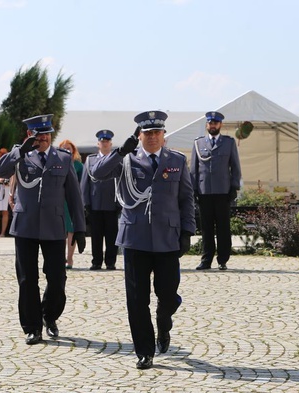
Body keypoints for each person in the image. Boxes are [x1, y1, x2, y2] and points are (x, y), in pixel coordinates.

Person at [91, 110, 196, 370]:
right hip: (136, 237)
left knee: (168, 295)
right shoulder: (126, 159)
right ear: (139, 135)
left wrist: (187, 232)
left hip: (167, 238)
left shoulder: (177, 161)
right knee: (137, 299)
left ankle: (164, 321)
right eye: (147, 133)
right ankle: (145, 351)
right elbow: (97, 174)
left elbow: (186, 199)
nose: (152, 137)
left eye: (156, 133)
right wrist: (118, 152)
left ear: (163, 135)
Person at [0, 114, 86, 346]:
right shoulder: (21, 156)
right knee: (27, 279)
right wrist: (18, 152)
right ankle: (32, 327)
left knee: (57, 279)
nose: (43, 138)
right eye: (38, 134)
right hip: (25, 226)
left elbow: (74, 196)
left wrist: (81, 228)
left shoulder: (62, 158)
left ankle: (48, 315)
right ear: (29, 135)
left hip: (54, 227)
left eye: (46, 134)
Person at [191, 111, 241, 271]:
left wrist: (234, 187)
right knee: (206, 228)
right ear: (207, 125)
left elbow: (235, 167)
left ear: (220, 125)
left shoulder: (229, 143)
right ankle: (206, 259)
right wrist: (193, 190)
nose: (212, 125)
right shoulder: (198, 144)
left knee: (223, 227)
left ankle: (223, 259)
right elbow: (194, 170)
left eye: (215, 123)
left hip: (222, 191)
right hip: (204, 191)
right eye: (210, 123)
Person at [81, 129, 119, 270]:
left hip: (112, 203)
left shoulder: (116, 159)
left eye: (107, 141)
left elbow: (120, 181)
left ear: (111, 143)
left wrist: (120, 202)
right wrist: (86, 203)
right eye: (102, 141)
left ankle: (110, 262)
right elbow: (85, 183)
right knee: (96, 236)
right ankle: (96, 261)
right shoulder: (90, 160)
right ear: (98, 143)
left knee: (112, 236)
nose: (105, 143)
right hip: (95, 203)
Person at [58, 140, 84, 269]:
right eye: (63, 148)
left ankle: (70, 257)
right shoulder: (57, 163)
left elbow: (81, 185)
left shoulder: (78, 165)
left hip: (71, 200)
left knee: (71, 230)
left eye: (68, 148)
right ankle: (60, 257)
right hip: (59, 200)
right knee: (60, 229)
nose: (66, 150)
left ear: (73, 150)